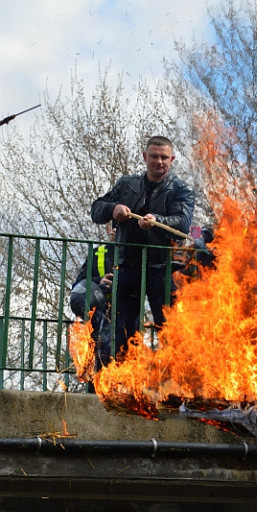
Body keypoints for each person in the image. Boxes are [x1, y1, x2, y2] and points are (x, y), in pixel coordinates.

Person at [91, 136, 195, 355]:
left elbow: (183, 223)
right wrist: (113, 209)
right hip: (128, 267)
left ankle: (174, 381)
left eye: (164, 157)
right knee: (123, 329)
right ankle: (121, 380)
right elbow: (96, 209)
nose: (159, 161)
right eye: (155, 156)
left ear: (172, 159)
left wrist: (157, 222)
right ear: (145, 157)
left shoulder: (180, 190)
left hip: (163, 268)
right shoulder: (127, 184)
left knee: (169, 329)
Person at [70, 223, 116, 382]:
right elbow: (78, 285)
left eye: (120, 225)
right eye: (113, 225)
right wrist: (99, 282)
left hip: (125, 313)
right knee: (96, 357)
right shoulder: (98, 254)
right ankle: (94, 391)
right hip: (99, 314)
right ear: (107, 229)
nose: (115, 229)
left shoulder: (137, 253)